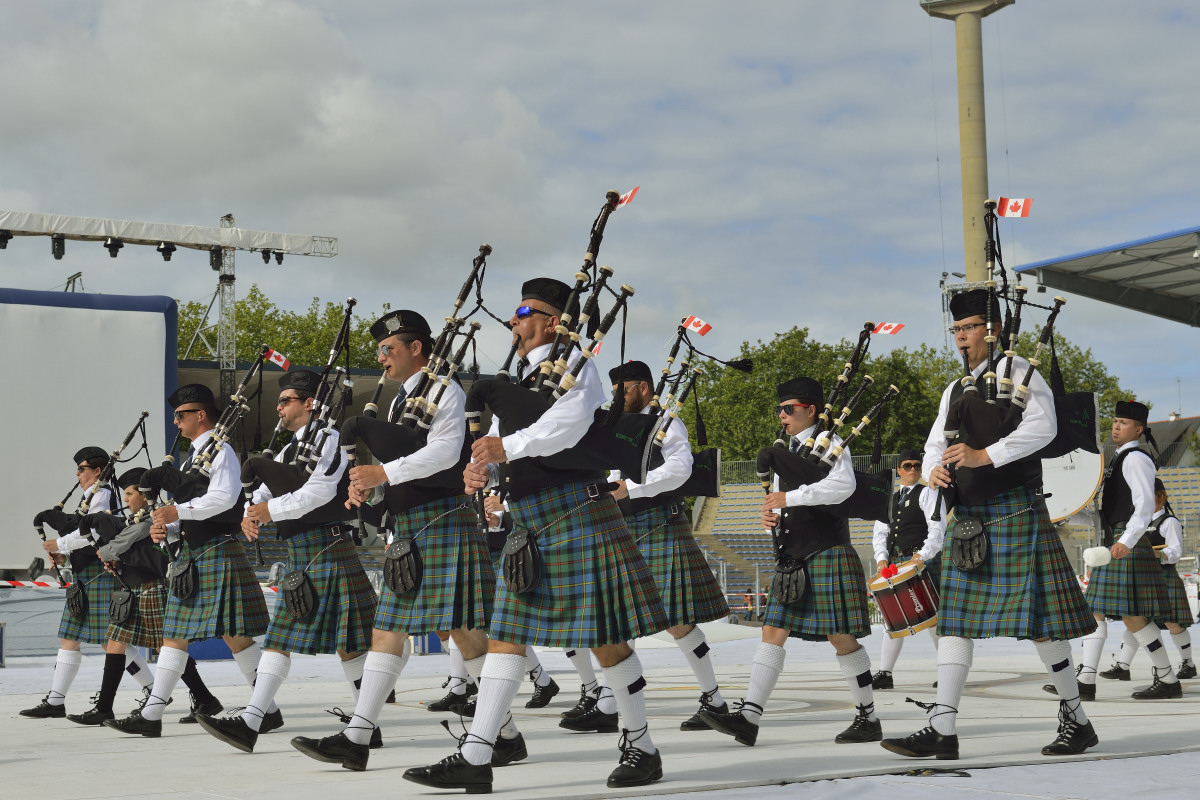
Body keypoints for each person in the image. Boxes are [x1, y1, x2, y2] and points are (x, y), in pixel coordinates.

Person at [403, 278, 669, 792]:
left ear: (552, 320)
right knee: (505, 637)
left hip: (576, 513)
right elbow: (503, 445)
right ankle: (479, 754)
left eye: (524, 311)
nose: (513, 321)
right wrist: (482, 468)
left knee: (609, 641)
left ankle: (642, 746)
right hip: (530, 521)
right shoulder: (522, 378)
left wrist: (506, 447)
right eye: (514, 312)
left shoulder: (577, 366)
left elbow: (566, 428)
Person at [880, 289, 1098, 761]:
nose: (962, 338)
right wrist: (936, 471)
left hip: (1015, 510)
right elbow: (936, 441)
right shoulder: (954, 389)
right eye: (956, 330)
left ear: (992, 331)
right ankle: (943, 728)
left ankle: (1076, 719)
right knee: (955, 622)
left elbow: (1043, 426)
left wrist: (984, 455)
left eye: (970, 328)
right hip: (971, 518)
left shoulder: (1019, 372)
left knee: (1041, 626)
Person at [291, 310, 495, 771]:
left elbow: (443, 454)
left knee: (459, 631)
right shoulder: (403, 398)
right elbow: (405, 466)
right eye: (379, 350)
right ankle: (360, 737)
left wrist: (383, 471)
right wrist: (372, 488)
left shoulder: (444, 389)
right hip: (413, 524)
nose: (380, 358)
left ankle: (361, 737)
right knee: (397, 629)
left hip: (443, 519)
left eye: (388, 349)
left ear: (415, 348)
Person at [196, 369, 379, 753]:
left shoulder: (328, 439)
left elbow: (318, 492)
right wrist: (250, 511)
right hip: (303, 552)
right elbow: (260, 488)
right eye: (279, 401)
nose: (278, 407)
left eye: (286, 400)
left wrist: (268, 510)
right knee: (313, 642)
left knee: (339, 643)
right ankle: (365, 726)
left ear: (309, 403)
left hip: (327, 547)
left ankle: (253, 721)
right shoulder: (288, 449)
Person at [700, 377, 881, 747]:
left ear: (810, 410)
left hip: (828, 551)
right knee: (772, 632)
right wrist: (772, 515)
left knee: (841, 637)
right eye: (780, 410)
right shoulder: (788, 452)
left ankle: (868, 717)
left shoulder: (832, 447)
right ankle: (749, 717)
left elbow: (840, 489)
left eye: (789, 409)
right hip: (793, 557)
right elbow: (784, 500)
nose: (782, 416)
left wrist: (789, 499)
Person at [560, 359, 726, 735]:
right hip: (620, 524)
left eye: (625, 389)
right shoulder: (618, 426)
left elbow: (680, 468)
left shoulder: (666, 424)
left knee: (677, 621)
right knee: (617, 615)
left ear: (645, 389)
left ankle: (713, 700)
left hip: (658, 523)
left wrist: (630, 488)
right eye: (615, 389)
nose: (618, 395)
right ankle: (607, 702)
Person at [104, 383, 271, 737]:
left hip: (215, 550)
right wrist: (167, 527)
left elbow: (226, 499)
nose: (176, 422)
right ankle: (266, 709)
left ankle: (151, 716)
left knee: (178, 634)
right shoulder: (195, 457)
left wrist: (176, 510)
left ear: (201, 415)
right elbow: (192, 510)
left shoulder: (219, 450)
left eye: (181, 415)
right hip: (198, 553)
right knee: (232, 635)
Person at [69, 467, 219, 725]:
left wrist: (109, 553)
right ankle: (105, 708)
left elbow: (131, 538)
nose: (125, 500)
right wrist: (119, 561)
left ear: (143, 493)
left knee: (168, 648)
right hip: (134, 587)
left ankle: (204, 699)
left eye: (129, 493)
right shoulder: (134, 519)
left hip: (154, 587)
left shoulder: (153, 516)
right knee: (117, 642)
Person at [1058, 405, 1180, 700]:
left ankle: (1165, 679)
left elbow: (1144, 505)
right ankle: (1088, 679)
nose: (1115, 427)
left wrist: (1127, 540)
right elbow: (1107, 513)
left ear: (1138, 429)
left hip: (1127, 543)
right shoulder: (1117, 459)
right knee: (1111, 614)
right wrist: (1065, 514)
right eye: (1114, 421)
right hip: (1118, 539)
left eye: (1123, 423)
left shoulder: (1136, 458)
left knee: (1128, 616)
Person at [21, 447, 123, 718]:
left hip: (99, 572)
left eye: (82, 469)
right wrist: (62, 552)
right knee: (70, 637)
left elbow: (93, 532)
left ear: (98, 471)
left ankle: (152, 688)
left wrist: (61, 543)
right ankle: (56, 701)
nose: (77, 474)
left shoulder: (103, 496)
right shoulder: (90, 496)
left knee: (111, 640)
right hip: (84, 574)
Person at [1098, 479, 1196, 682]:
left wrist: (1151, 553)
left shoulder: (1169, 522)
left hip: (1163, 576)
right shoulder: (1136, 523)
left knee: (1173, 623)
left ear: (1160, 496)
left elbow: (1175, 552)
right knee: (1134, 620)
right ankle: (1123, 666)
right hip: (1142, 577)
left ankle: (1188, 663)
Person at [870, 447, 944, 689]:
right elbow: (880, 533)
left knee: (933, 618)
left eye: (917, 465)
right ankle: (885, 673)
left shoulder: (927, 493)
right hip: (895, 564)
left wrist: (922, 556)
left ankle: (946, 670)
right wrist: (881, 558)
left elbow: (937, 529)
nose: (913, 470)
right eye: (908, 466)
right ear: (899, 469)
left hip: (922, 563)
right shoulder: (889, 500)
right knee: (892, 619)